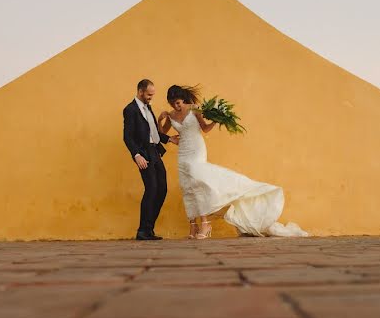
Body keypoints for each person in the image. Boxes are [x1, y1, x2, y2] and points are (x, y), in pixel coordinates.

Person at [158, 85, 307, 239]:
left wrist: (217, 120)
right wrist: (160, 120)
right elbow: (162, 134)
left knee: (197, 182)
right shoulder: (171, 115)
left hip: (196, 149)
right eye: (172, 103)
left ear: (183, 99)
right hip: (183, 152)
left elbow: (205, 129)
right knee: (186, 185)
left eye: (178, 103)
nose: (176, 106)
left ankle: (205, 224)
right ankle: (193, 227)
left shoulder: (194, 109)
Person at [123, 79, 178, 240]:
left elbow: (152, 131)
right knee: (151, 189)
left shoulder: (148, 107)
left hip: (155, 152)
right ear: (140, 91)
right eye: (148, 94)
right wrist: (136, 155)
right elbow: (127, 137)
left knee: (162, 189)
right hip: (143, 153)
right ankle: (142, 230)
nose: (151, 97)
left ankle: (149, 229)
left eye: (152, 95)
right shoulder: (130, 110)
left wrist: (169, 139)